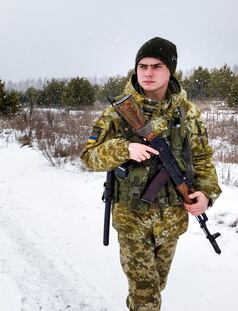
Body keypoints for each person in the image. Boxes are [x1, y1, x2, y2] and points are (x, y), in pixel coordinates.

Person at [81, 37, 221, 311]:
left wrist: (207, 193)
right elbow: (89, 155)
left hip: (172, 219)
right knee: (146, 296)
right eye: (142, 66)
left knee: (156, 287)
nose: (147, 72)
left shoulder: (188, 113)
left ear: (171, 71)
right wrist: (124, 149)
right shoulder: (118, 112)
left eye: (157, 66)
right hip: (131, 217)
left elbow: (203, 158)